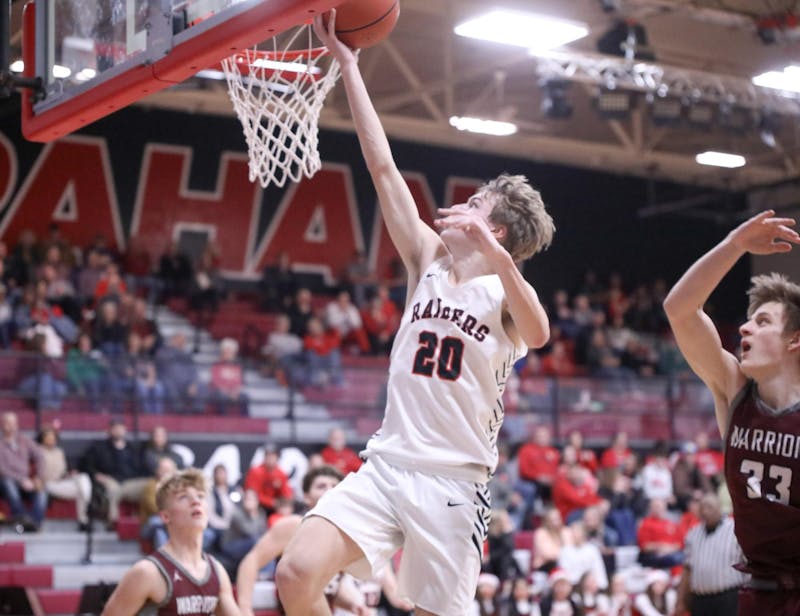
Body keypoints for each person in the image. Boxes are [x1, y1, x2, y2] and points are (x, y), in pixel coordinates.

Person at [275, 12, 554, 616]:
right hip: (388, 461)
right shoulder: (426, 256)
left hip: (454, 482)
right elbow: (383, 169)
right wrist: (349, 67)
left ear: (497, 229)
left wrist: (502, 260)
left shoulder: (508, 295)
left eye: (476, 204)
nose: (461, 206)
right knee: (296, 573)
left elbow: (539, 332)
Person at [663, 210, 800, 614]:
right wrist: (734, 244)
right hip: (759, 592)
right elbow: (680, 310)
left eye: (762, 321)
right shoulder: (735, 390)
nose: (744, 329)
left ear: (795, 340)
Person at [101, 468, 239, 616]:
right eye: (183, 497)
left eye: (200, 496)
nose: (195, 501)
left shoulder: (217, 571)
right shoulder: (147, 572)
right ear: (165, 516)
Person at [236, 465, 344, 616]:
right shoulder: (294, 526)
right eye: (321, 486)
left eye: (335, 486)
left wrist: (355, 604)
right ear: (306, 496)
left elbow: (330, 587)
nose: (329, 490)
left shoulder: (343, 534)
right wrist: (245, 609)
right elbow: (250, 563)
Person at [675, 493, 748, 616]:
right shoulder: (693, 533)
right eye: (702, 507)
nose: (705, 511)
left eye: (709, 507)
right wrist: (680, 600)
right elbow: (687, 570)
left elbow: (747, 565)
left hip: (729, 598)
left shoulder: (735, 529)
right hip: (700, 600)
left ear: (719, 508)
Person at [37, 424, 92, 531]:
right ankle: (84, 519)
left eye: (53, 438)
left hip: (63, 480)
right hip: (49, 483)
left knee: (83, 478)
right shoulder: (38, 451)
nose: (51, 440)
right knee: (82, 491)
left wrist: (69, 474)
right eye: (48, 438)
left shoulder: (59, 451)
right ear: (42, 439)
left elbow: (63, 470)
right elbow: (40, 472)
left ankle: (84, 516)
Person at [0, 411, 46, 531]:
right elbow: (2, 469)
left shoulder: (24, 440)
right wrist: (22, 480)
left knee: (42, 490)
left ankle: (34, 523)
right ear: (2, 424)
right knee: (8, 483)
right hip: (7, 481)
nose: (11, 426)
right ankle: (22, 519)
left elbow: (40, 455)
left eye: (13, 423)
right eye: (8, 423)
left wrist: (38, 477)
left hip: (27, 482)